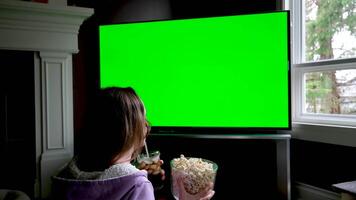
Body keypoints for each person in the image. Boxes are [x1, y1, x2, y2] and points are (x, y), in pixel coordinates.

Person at [51, 87, 214, 200]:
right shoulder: (137, 185)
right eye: (143, 119)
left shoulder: (65, 174)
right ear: (130, 130)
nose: (147, 125)